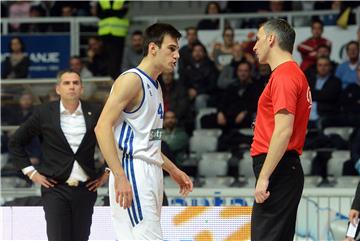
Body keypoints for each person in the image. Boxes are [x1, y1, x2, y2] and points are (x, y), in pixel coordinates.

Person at [95, 23, 193, 240]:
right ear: (152, 48)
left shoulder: (156, 87)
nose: (177, 55)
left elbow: (151, 141)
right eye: (171, 48)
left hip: (151, 169)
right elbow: (102, 127)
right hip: (132, 170)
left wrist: (173, 170)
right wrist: (119, 175)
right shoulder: (132, 80)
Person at [8, 70, 109, 241]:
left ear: (82, 88)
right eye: (66, 83)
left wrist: (107, 172)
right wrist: (32, 173)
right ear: (57, 89)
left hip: (86, 189)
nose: (72, 87)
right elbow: (15, 142)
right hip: (55, 188)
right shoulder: (44, 112)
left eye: (76, 83)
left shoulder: (95, 111)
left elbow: (113, 142)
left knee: (81, 238)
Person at [251, 19, 311, 241]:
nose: (254, 46)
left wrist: (265, 176)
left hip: (278, 169)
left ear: (271, 39)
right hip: (283, 167)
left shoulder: (285, 75)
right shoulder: (290, 74)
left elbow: (284, 132)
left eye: (258, 39)